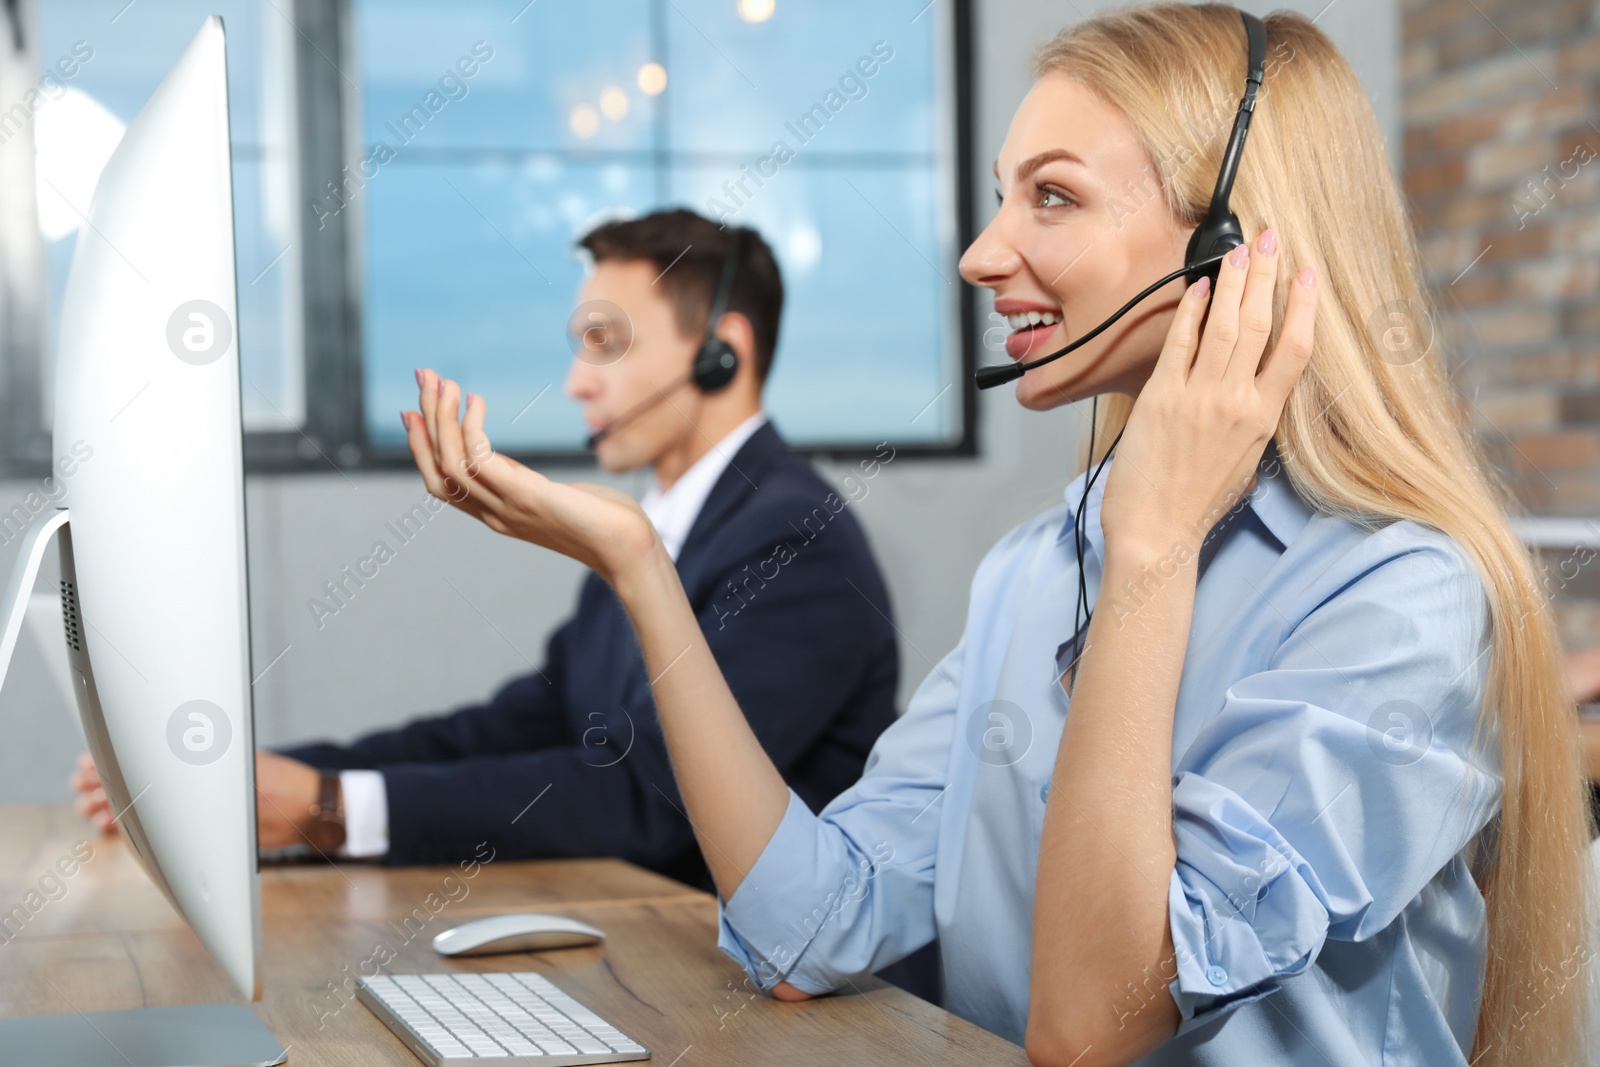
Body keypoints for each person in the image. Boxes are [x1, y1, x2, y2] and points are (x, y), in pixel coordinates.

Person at [396, 6, 1590, 1066]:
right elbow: (810, 928)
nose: (979, 253)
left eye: (1052, 195)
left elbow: (1092, 1026)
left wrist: (1152, 555)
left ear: (1228, 251)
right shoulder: (1038, 568)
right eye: (1002, 193)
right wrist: (640, 567)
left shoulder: (1399, 597)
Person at [71, 210, 901, 895]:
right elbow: (518, 726)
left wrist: (330, 806)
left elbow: (652, 798)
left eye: (607, 343)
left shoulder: (798, 541)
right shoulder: (661, 524)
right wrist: (262, 777)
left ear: (722, 350)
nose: (577, 382)